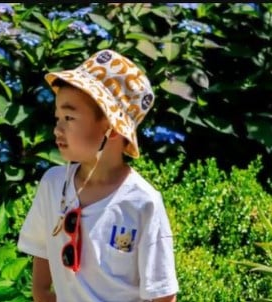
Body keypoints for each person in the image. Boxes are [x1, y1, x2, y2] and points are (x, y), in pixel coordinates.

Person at [17, 49, 179, 302]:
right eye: (57, 117)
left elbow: (163, 295)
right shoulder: (53, 184)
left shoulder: (142, 203)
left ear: (112, 128)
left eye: (69, 117)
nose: (57, 129)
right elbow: (42, 276)